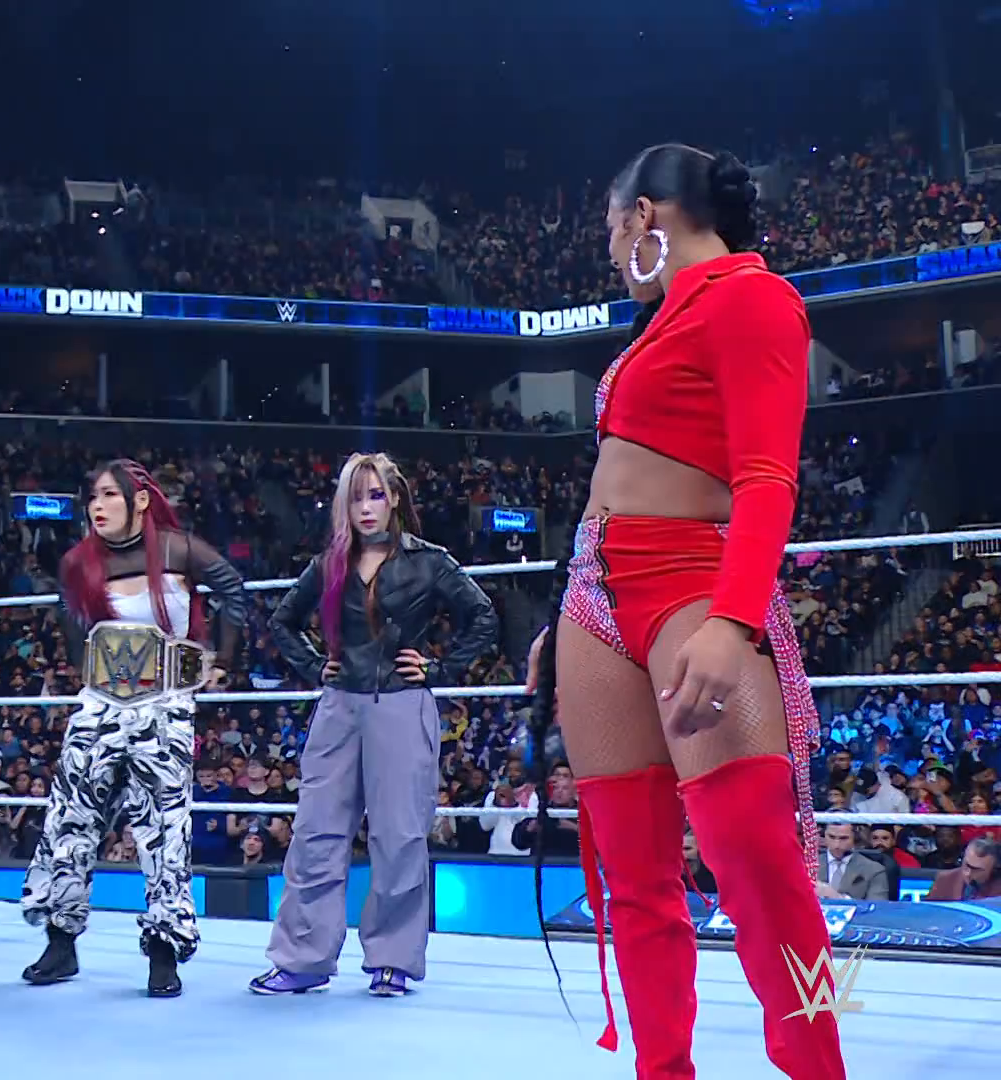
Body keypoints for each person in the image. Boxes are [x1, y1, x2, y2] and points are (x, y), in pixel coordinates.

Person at [523, 146, 843, 1078]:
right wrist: (561, 619)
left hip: (694, 578)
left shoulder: (752, 296)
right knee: (632, 877)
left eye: (610, 225)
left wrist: (733, 619)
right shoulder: (657, 324)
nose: (608, 246)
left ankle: (819, 1067)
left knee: (752, 852)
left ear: (647, 216)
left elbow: (767, 477)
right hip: (593, 590)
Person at [252, 452, 497, 997]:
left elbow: (484, 616)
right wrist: (314, 665)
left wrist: (440, 667)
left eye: (376, 496)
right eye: (356, 498)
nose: (366, 508)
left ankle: (393, 960)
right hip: (339, 705)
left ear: (395, 499)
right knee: (316, 832)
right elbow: (283, 620)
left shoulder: (430, 562)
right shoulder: (330, 565)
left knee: (400, 835)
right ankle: (302, 959)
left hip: (402, 704)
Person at [20, 459, 247, 998]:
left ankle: (164, 951)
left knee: (165, 827)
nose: (96, 506)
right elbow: (72, 630)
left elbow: (232, 590)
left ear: (140, 499)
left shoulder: (177, 549)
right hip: (100, 703)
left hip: (165, 703)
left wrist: (220, 661)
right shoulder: (78, 562)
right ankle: (60, 941)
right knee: (70, 819)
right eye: (91, 497)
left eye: (108, 495)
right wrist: (91, 671)